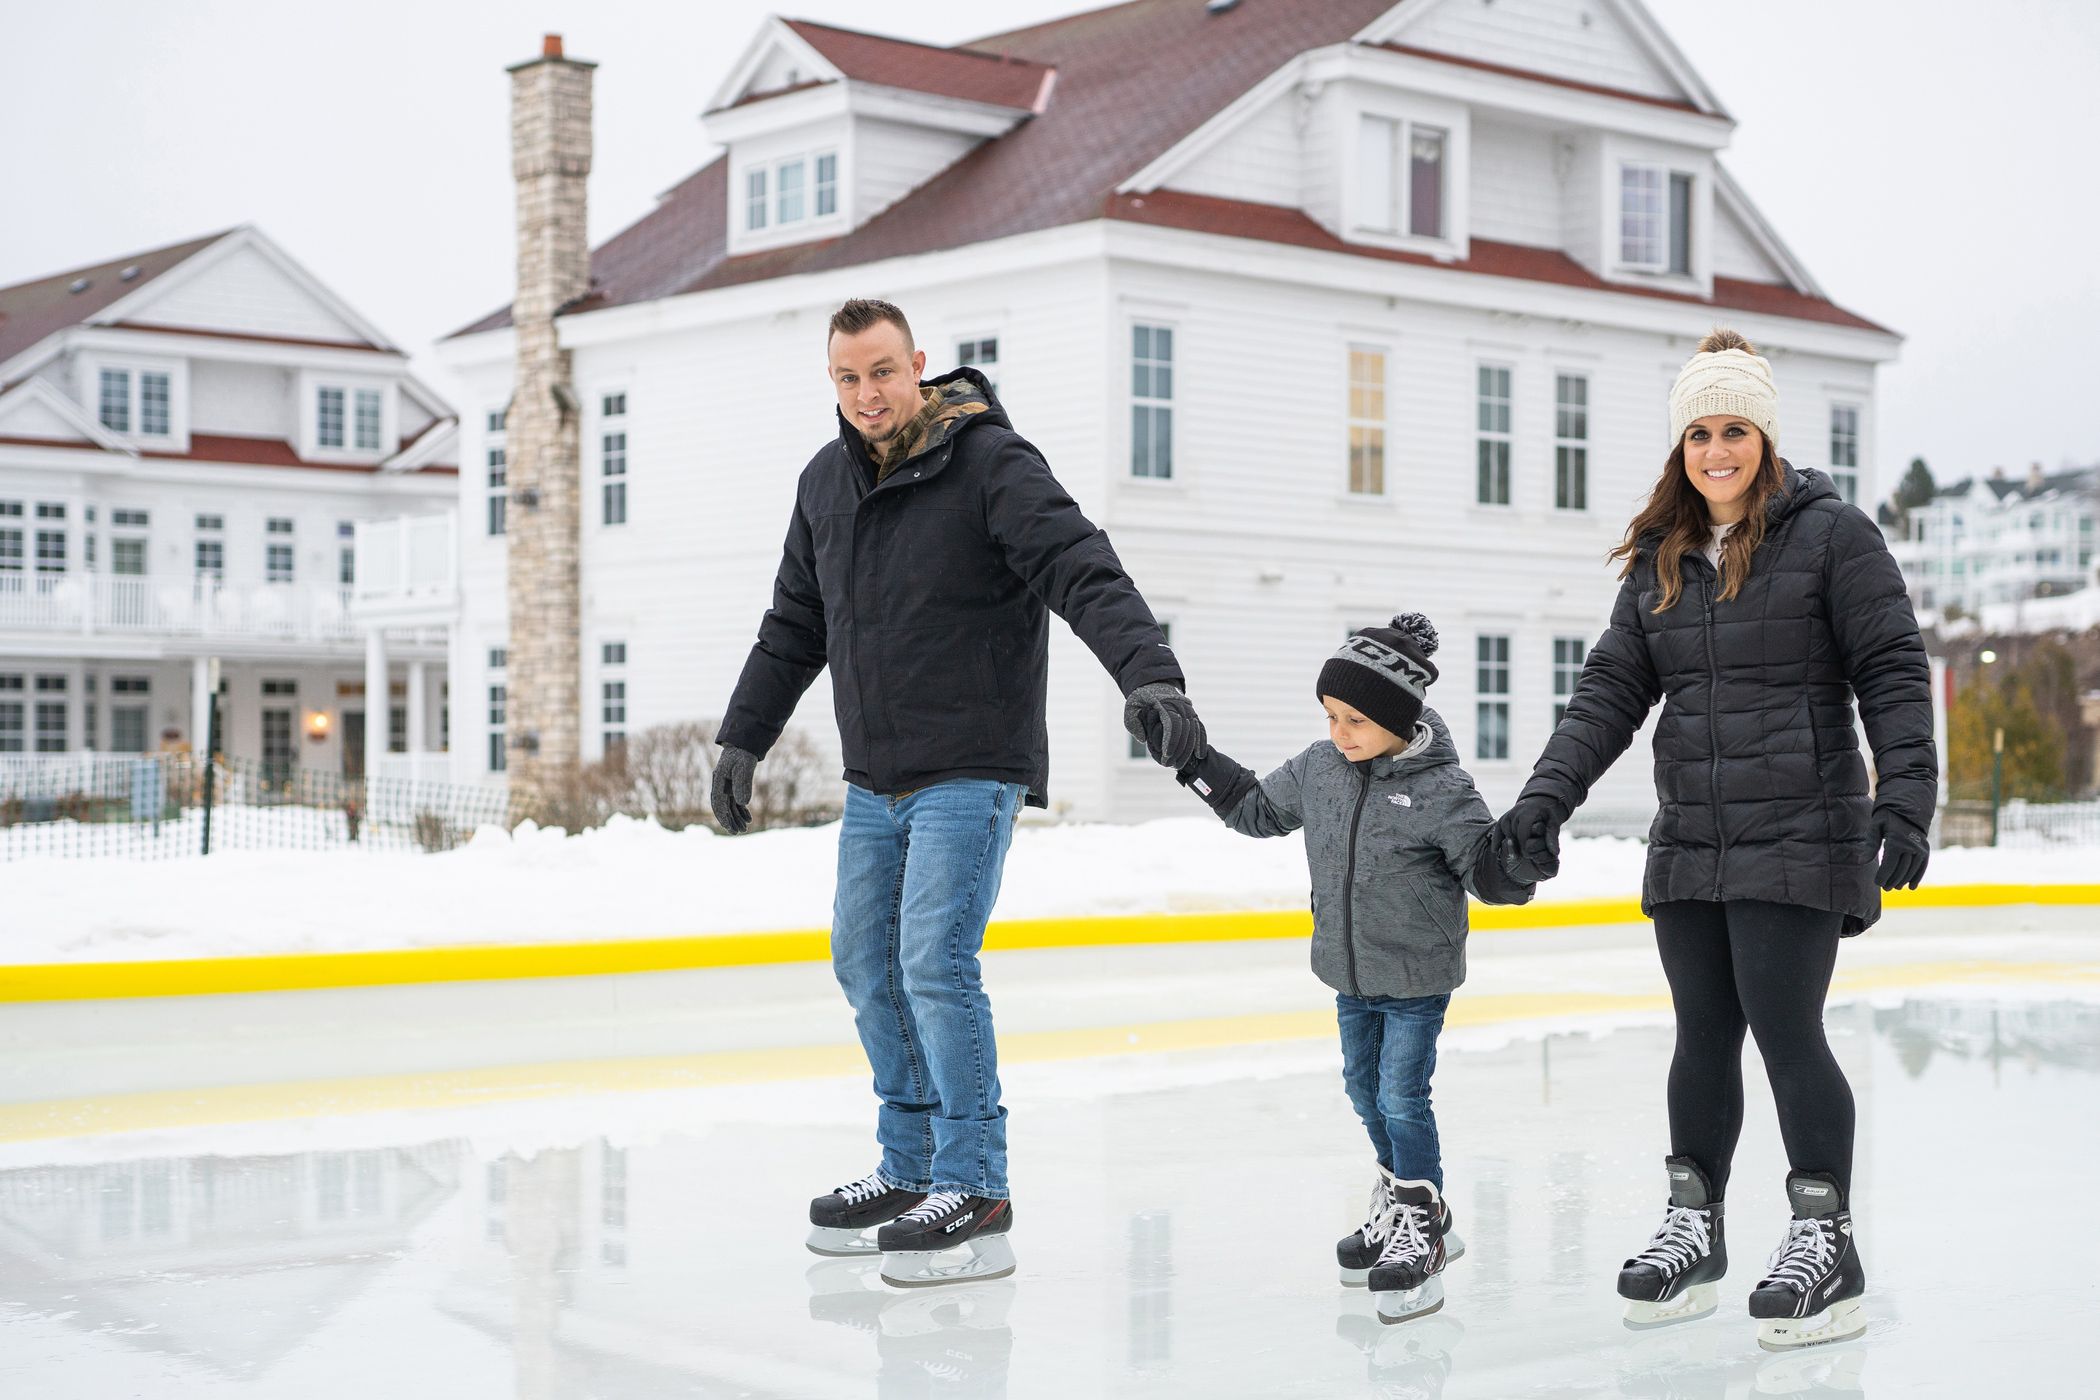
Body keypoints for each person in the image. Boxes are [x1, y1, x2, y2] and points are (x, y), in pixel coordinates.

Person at [712, 298, 1204, 1288]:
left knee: (934, 960)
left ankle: (975, 1181)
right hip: (875, 774)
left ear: (920, 365)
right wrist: (742, 734)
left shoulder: (991, 464)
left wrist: (1149, 673)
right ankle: (909, 1168)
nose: (867, 395)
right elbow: (792, 622)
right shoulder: (826, 484)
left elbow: (1083, 567)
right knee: (865, 962)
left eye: (883, 372)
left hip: (973, 762)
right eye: (847, 378)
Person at [1492, 329, 1935, 1350]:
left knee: (1786, 1029)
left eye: (1734, 428)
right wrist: (1544, 799)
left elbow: (1893, 668)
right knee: (1701, 1033)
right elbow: (1607, 691)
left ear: (1766, 438)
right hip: (1693, 834)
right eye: (1699, 431)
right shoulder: (1664, 558)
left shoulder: (1833, 538)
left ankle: (1828, 1241)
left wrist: (1904, 795)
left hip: (1800, 827)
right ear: (1680, 445)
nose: (1716, 449)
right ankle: (1697, 1226)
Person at [1149, 613, 1535, 1324]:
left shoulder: (1443, 788)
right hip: (1348, 973)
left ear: (1397, 718)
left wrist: (1519, 864)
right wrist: (1192, 760)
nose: (1341, 732)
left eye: (1357, 719)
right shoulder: (1321, 769)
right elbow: (1257, 811)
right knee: (1364, 1089)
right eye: (1331, 716)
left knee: (1401, 1097)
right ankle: (1405, 1202)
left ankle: (1422, 1224)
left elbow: (1489, 875)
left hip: (1416, 977)